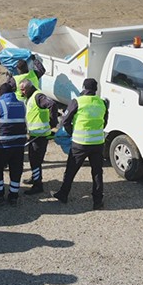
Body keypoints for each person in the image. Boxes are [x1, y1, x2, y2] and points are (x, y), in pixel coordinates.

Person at [53, 78, 109, 210]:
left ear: (83, 87)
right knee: (97, 172)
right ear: (95, 89)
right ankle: (97, 201)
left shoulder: (77, 101)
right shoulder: (102, 102)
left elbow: (65, 120)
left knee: (71, 170)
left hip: (80, 143)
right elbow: (105, 121)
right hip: (98, 143)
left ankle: (63, 194)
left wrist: (72, 132)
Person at [20, 79, 58, 195]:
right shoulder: (31, 96)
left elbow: (52, 104)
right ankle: (35, 177)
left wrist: (53, 122)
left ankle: (38, 185)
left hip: (40, 135)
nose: (21, 92)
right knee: (33, 159)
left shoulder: (38, 96)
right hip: (34, 134)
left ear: (29, 88)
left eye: (23, 89)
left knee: (36, 160)